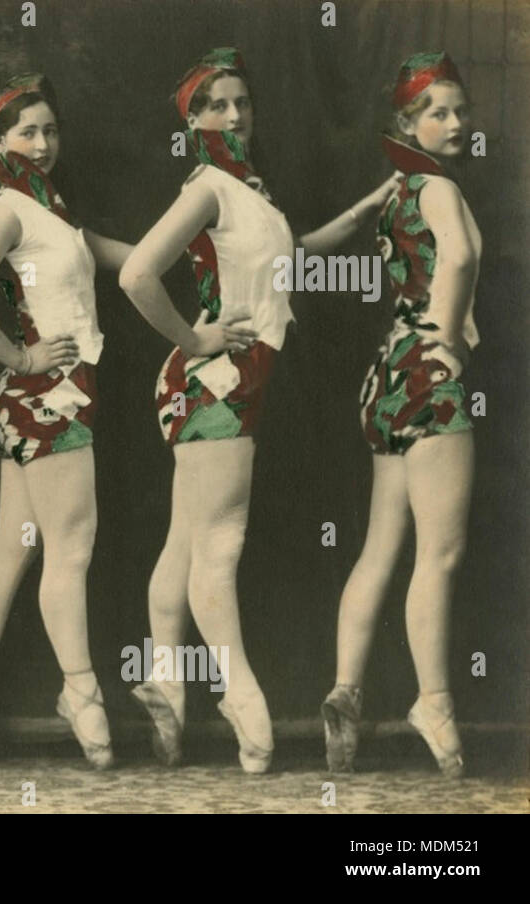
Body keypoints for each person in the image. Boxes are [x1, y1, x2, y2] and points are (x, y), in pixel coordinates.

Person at [120, 48, 400, 773]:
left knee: (186, 541)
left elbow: (296, 258)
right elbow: (137, 272)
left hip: (225, 383)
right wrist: (194, 335)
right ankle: (245, 704)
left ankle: (166, 686)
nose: (235, 114)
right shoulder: (209, 186)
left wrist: (365, 210)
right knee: (219, 546)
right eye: (217, 104)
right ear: (193, 118)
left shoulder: (252, 193)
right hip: (212, 380)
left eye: (243, 102)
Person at [0, 74, 135, 768]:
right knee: (72, 546)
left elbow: (125, 260)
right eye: (27, 131)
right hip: (45, 393)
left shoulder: (48, 210)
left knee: (15, 545)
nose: (43, 142)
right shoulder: (10, 209)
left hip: (47, 396)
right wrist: (20, 355)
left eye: (50, 130)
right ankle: (81, 697)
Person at [323, 52, 480, 778]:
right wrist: (448, 339)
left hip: (385, 378)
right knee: (439, 552)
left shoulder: (396, 192)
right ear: (408, 124)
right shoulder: (438, 187)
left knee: (379, 549)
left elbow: (312, 247)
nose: (454, 123)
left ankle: (345, 694)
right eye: (437, 113)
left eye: (458, 110)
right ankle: (434, 701)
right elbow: (458, 258)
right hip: (426, 375)